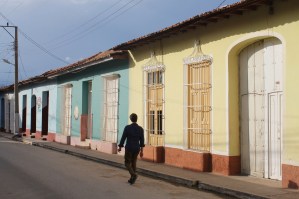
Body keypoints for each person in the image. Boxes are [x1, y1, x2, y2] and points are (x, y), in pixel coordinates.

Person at [118, 113, 144, 185]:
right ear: (136, 119)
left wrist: (120, 146)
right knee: (133, 163)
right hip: (136, 148)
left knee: (127, 163)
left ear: (130, 119)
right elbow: (142, 141)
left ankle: (133, 175)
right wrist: (142, 151)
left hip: (129, 147)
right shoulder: (140, 129)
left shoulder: (127, 128)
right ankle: (132, 178)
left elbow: (123, 137)